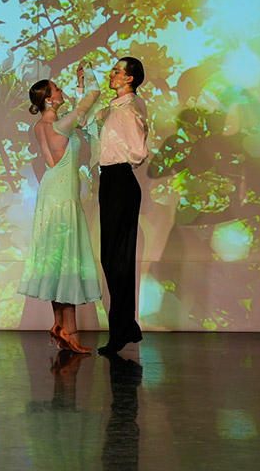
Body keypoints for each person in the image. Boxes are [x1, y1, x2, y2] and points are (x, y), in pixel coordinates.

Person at [18, 65, 103, 354]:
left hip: (51, 191)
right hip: (63, 196)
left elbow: (77, 118)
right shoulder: (61, 125)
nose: (61, 90)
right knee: (67, 260)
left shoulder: (39, 126)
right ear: (49, 99)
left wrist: (76, 87)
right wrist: (87, 78)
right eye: (57, 89)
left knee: (57, 259)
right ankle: (70, 330)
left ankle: (60, 325)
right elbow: (93, 96)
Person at [92, 57, 149, 355]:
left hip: (120, 179)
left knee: (118, 259)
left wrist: (120, 155)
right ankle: (126, 327)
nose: (111, 74)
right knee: (111, 257)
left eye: (117, 71)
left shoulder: (129, 109)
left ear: (129, 78)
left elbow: (139, 151)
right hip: (111, 180)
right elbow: (87, 119)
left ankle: (122, 329)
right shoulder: (115, 108)